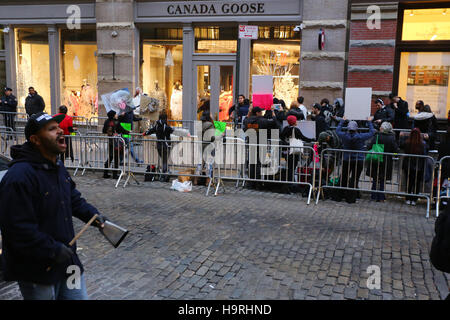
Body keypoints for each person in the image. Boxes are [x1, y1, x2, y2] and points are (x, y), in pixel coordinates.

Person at [0, 112, 107, 300]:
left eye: (59, 127)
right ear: (35, 140)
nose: (60, 131)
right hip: (38, 269)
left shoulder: (57, 166)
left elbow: (73, 199)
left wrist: (93, 216)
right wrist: (52, 249)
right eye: (51, 129)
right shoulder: (19, 176)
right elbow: (17, 228)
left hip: (68, 263)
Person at [336, 117, 376, 203]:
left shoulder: (344, 136)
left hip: (347, 159)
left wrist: (342, 121)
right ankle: (350, 198)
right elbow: (372, 132)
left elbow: (337, 130)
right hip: (359, 160)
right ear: (356, 128)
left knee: (344, 177)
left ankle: (339, 196)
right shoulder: (360, 137)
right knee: (354, 179)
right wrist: (369, 122)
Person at [142, 112, 190, 182]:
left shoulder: (157, 126)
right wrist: (186, 134)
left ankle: (164, 173)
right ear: (165, 119)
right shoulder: (165, 127)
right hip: (165, 145)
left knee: (163, 160)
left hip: (159, 146)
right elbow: (175, 131)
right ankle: (164, 175)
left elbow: (150, 131)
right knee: (165, 161)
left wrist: (144, 133)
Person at [366, 122, 399, 202]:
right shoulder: (391, 138)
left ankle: (373, 195)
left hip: (376, 159)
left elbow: (369, 146)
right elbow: (395, 150)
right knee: (382, 179)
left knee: (375, 178)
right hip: (386, 161)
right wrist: (394, 155)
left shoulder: (377, 136)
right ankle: (381, 196)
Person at [280, 115, 314, 186]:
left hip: (287, 151)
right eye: (295, 120)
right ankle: (290, 184)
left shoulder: (285, 128)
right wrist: (312, 139)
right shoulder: (296, 130)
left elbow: (281, 137)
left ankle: (290, 182)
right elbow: (303, 138)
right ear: (294, 122)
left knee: (289, 167)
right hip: (293, 152)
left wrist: (287, 143)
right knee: (292, 168)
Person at [401, 128, 428, 206]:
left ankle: (408, 198)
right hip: (419, 166)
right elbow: (425, 152)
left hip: (408, 165)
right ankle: (414, 199)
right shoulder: (423, 144)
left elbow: (401, 146)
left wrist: (402, 137)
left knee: (409, 182)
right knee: (417, 183)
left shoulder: (407, 143)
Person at [102, 110, 122, 179]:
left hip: (110, 141)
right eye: (115, 114)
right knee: (116, 158)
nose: (116, 115)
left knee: (110, 157)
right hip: (115, 141)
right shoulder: (115, 121)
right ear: (113, 115)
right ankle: (115, 174)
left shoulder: (106, 121)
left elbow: (103, 131)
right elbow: (120, 129)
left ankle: (105, 173)